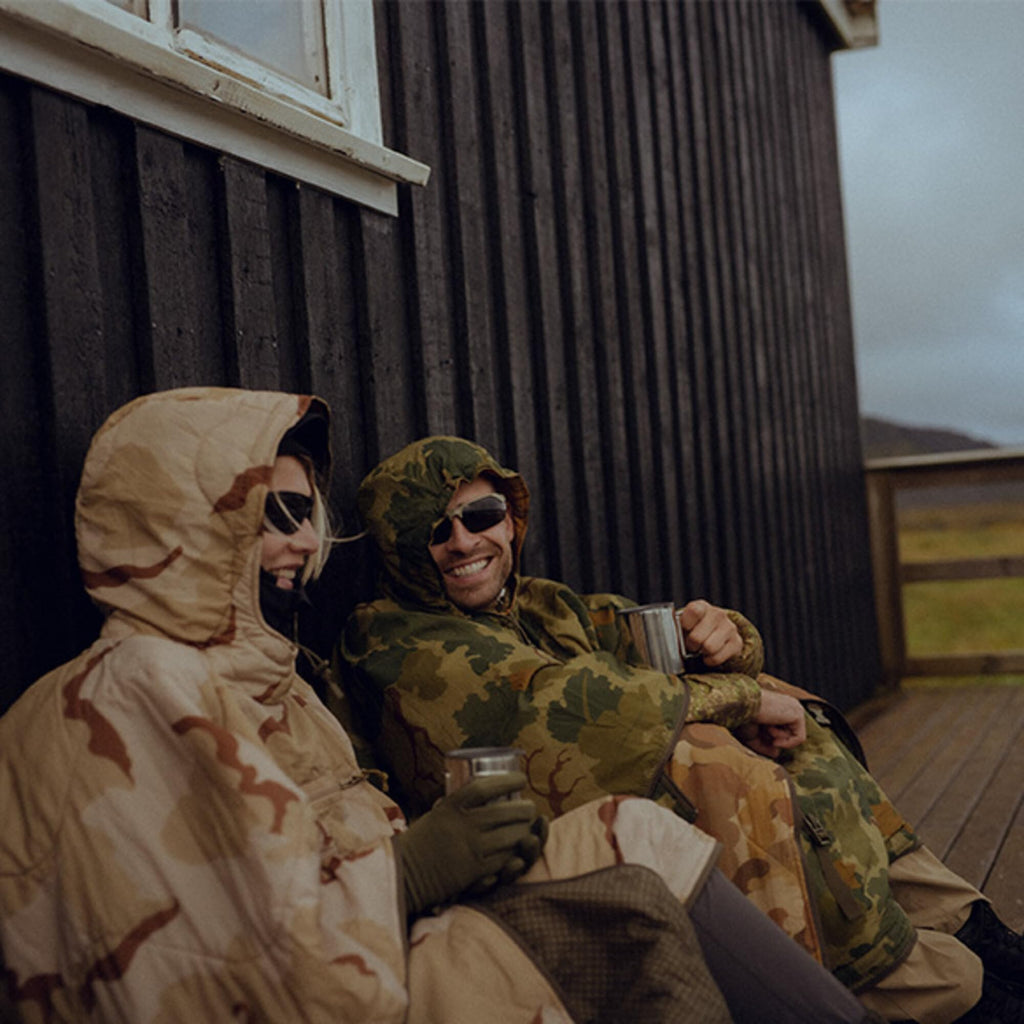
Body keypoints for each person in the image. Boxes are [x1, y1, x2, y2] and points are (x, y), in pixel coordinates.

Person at [0, 388, 878, 1024]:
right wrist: (410, 870)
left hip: (381, 931)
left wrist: (735, 647)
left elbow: (643, 641)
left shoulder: (272, 677)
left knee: (649, 821)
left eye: (308, 513)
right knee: (672, 803)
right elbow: (216, 965)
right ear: (188, 527)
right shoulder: (138, 687)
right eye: (273, 514)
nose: (304, 541)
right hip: (360, 974)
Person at [340, 434, 1024, 1024]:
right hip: (540, 860)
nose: (464, 541)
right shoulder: (394, 639)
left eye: (482, 515)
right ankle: (907, 973)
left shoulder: (541, 605)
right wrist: (740, 698)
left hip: (643, 832)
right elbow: (567, 706)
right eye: (435, 531)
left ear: (510, 518)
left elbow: (641, 635)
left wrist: (727, 640)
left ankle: (965, 923)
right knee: (712, 752)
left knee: (792, 714)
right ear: (401, 550)